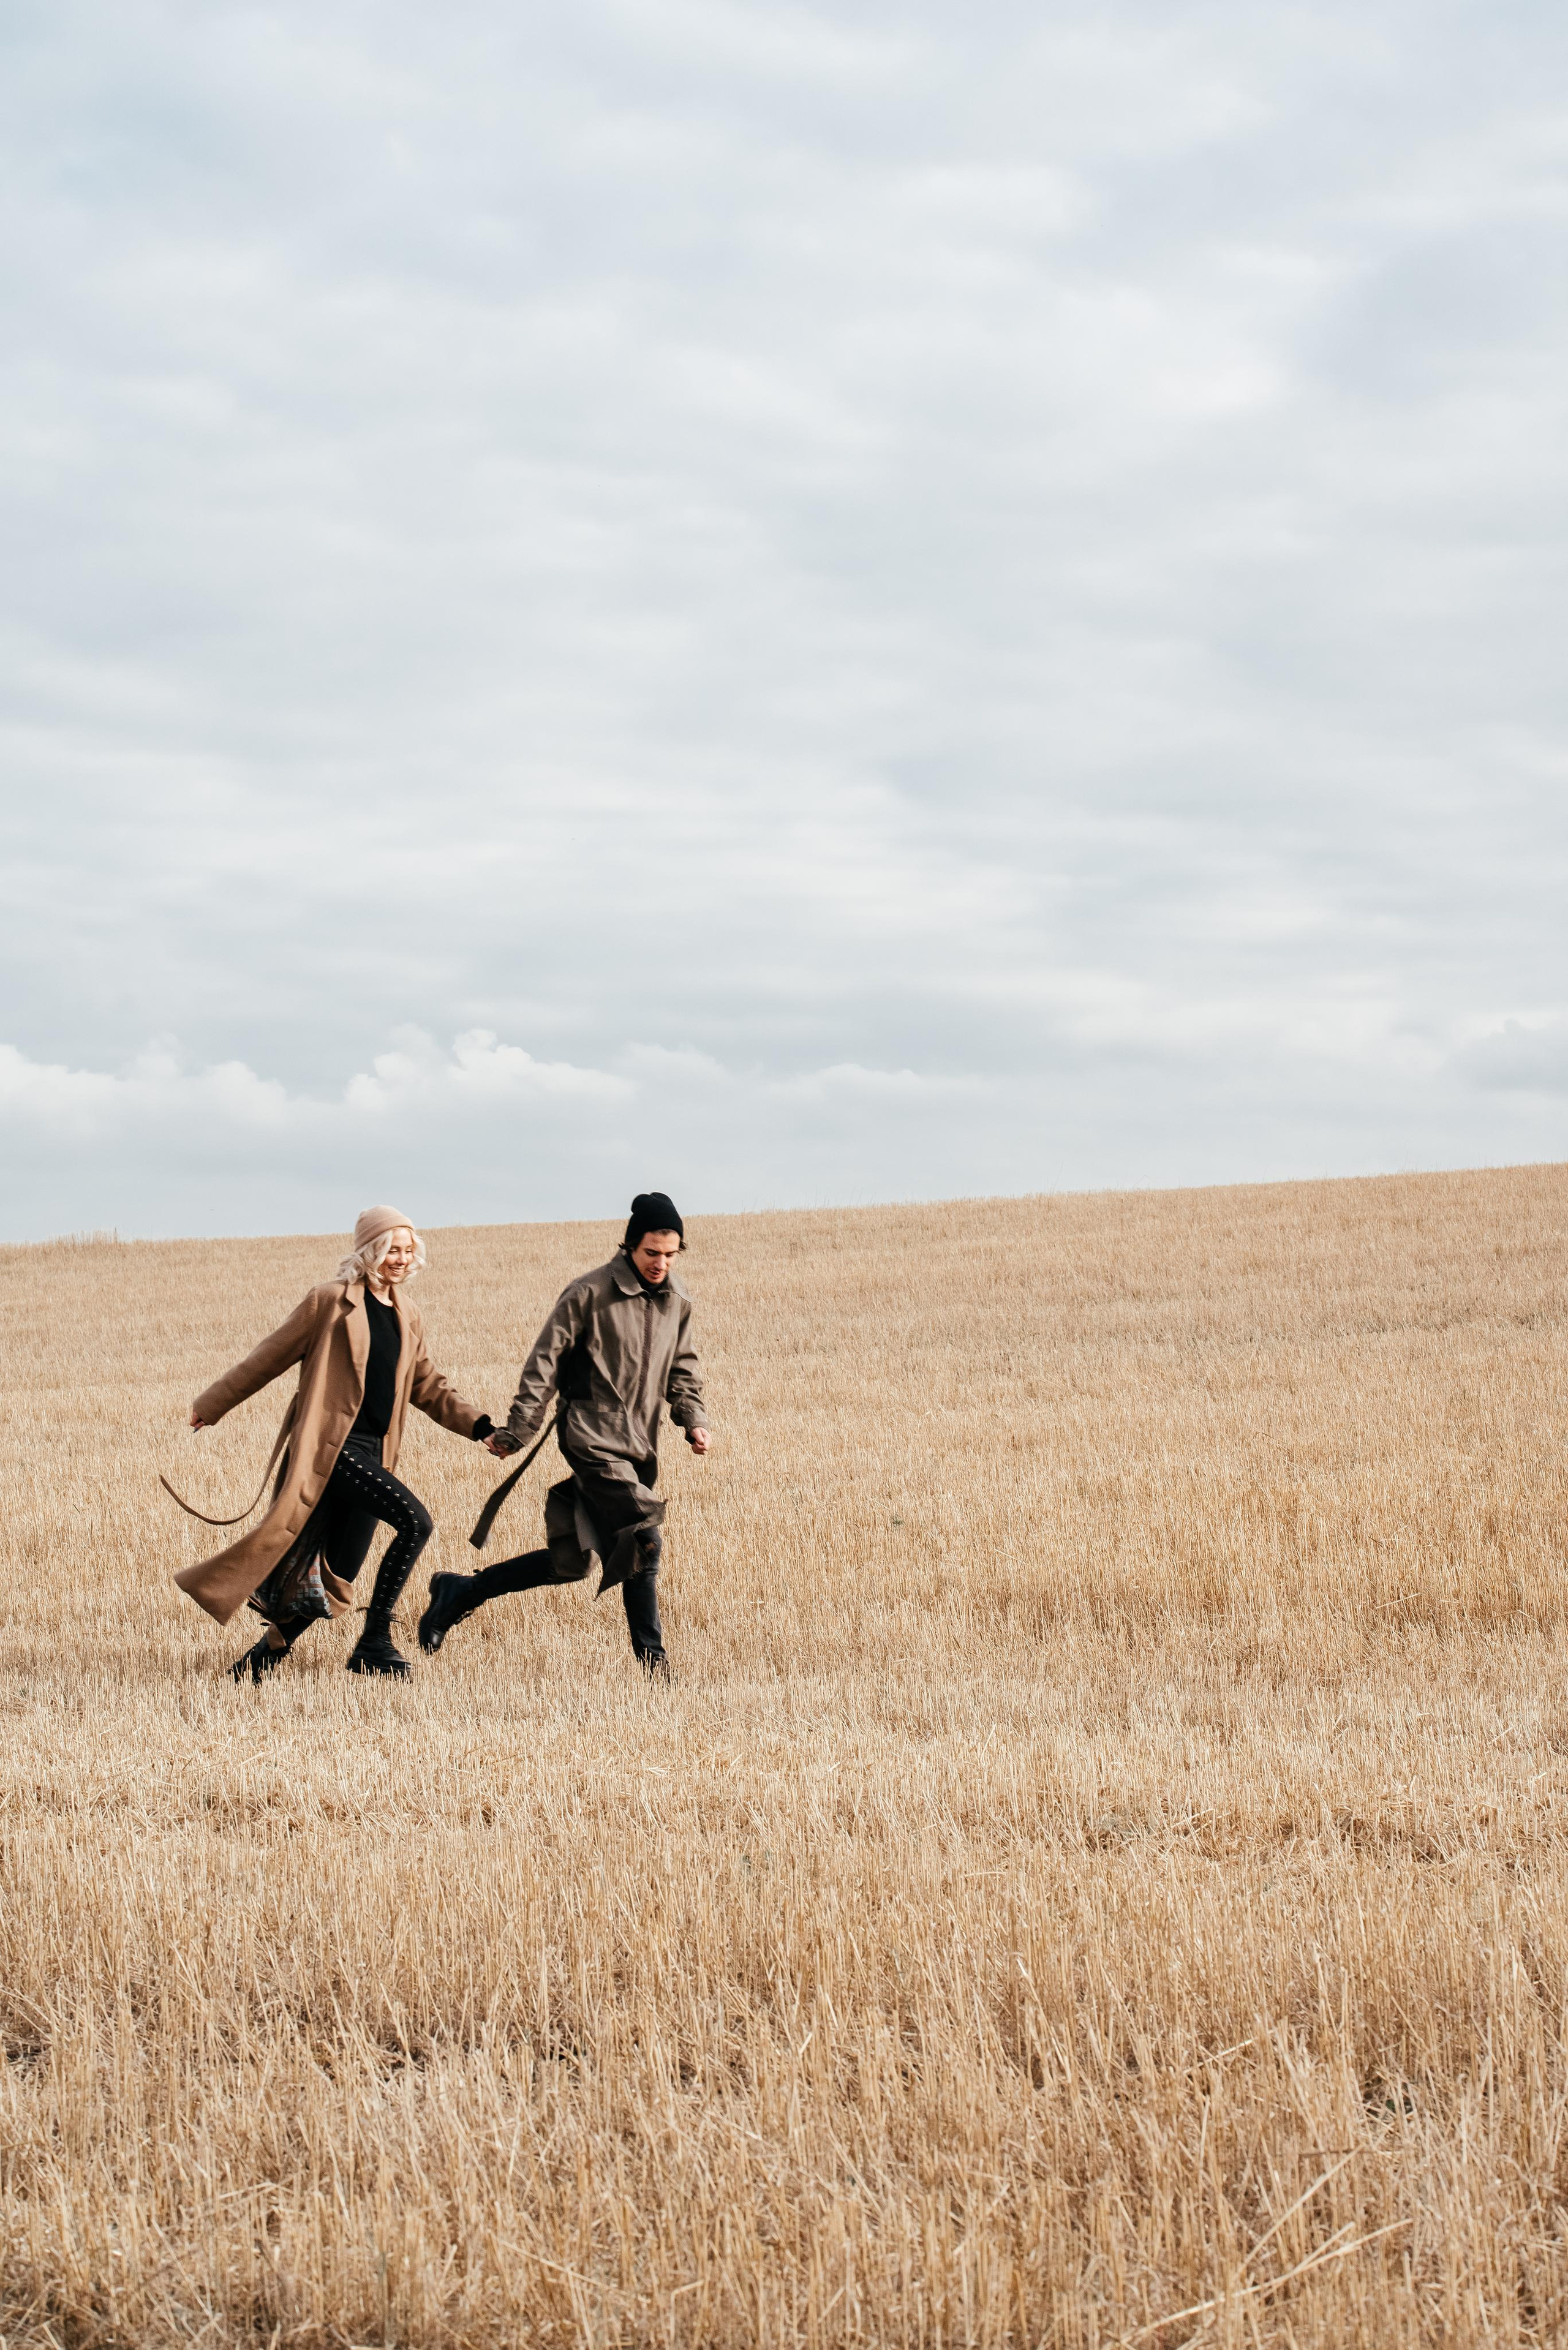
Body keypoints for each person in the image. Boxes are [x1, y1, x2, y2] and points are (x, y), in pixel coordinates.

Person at [170, 1205, 498, 1682]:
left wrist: (482, 1427)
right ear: (371, 1251)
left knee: (337, 1573)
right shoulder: (330, 1302)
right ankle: (375, 1640)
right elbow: (269, 1355)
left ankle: (261, 1659)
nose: (402, 1259)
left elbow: (429, 1387)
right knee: (415, 1521)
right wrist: (213, 1404)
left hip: (372, 1452)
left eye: (409, 1250)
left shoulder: (408, 1314)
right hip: (334, 1449)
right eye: (393, 1250)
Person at [418, 1190, 710, 1674]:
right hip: (590, 1437)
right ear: (630, 1246)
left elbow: (684, 1368)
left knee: (572, 1563)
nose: (661, 1263)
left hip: (639, 1446)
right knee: (644, 1537)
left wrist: (693, 1419)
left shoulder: (676, 1302)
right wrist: (518, 1430)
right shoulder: (588, 1294)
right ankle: (655, 1669)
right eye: (651, 1253)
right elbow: (543, 1365)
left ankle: (461, 1590)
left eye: (670, 1254)